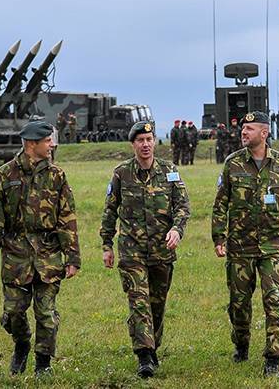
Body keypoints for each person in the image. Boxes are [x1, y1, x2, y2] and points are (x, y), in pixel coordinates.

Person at [0, 120, 81, 376]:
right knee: (13, 313)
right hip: (16, 255)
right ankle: (22, 343)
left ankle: (43, 363)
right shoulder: (5, 176)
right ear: (31, 144)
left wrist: (72, 257)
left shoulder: (57, 176)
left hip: (48, 255)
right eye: (48, 141)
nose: (52, 145)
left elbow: (67, 218)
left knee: (46, 314)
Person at [211, 112, 279, 378]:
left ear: (264, 133)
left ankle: (273, 358)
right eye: (243, 128)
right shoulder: (232, 163)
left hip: (274, 244)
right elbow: (221, 204)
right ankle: (241, 344)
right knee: (239, 304)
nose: (243, 132)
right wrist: (219, 237)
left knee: (273, 299)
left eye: (249, 128)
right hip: (240, 246)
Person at [101, 121, 190, 378]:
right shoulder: (122, 173)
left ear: (154, 142)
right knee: (139, 302)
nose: (146, 144)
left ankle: (153, 347)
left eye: (149, 139)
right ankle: (144, 356)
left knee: (157, 305)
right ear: (133, 145)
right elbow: (110, 211)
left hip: (162, 251)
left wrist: (177, 229)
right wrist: (107, 245)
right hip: (132, 251)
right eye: (140, 140)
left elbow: (182, 206)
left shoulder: (169, 171)